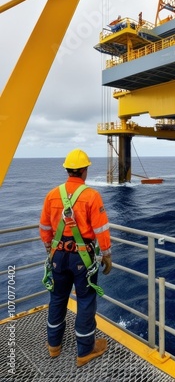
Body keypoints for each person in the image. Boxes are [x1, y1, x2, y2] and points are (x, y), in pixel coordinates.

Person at [39, 149, 112, 367]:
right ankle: (85, 350)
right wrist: (107, 254)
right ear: (84, 170)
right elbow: (101, 228)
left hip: (57, 255)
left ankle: (54, 345)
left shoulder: (52, 194)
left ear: (67, 170)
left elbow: (44, 227)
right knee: (86, 300)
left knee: (58, 298)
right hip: (83, 258)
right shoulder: (91, 196)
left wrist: (50, 249)